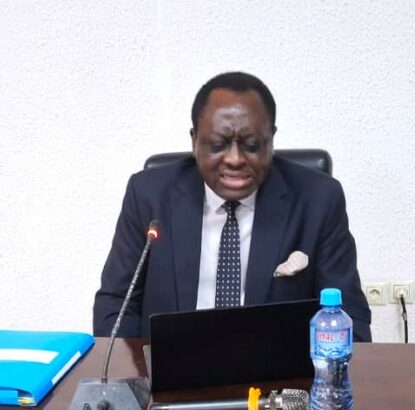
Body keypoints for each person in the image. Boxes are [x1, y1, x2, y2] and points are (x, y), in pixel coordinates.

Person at [93, 72, 372, 342]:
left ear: (271, 140)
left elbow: (350, 318)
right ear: (194, 141)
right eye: (218, 144)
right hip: (171, 365)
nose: (235, 159)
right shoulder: (149, 195)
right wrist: (131, 371)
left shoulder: (318, 200)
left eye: (252, 145)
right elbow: (117, 304)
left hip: (279, 369)